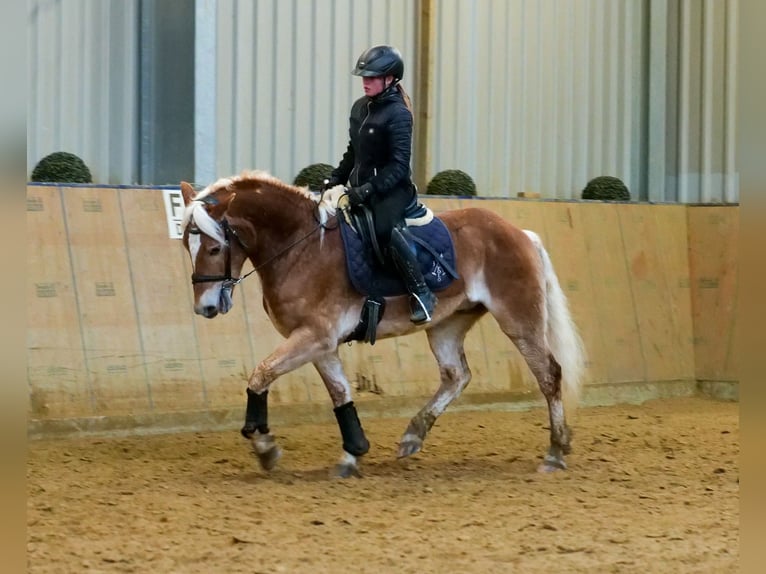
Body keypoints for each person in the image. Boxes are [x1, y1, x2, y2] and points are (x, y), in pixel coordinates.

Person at [324, 45, 436, 324]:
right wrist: (336, 177)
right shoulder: (360, 108)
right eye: (364, 76)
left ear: (390, 79)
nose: (365, 81)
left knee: (385, 229)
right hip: (360, 189)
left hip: (391, 191)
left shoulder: (399, 114)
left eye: (372, 77)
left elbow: (399, 166)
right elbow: (354, 151)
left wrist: (370, 189)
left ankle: (421, 292)